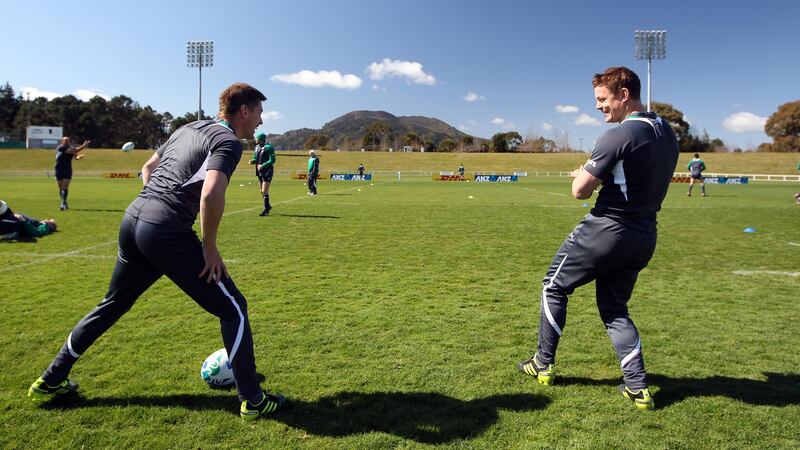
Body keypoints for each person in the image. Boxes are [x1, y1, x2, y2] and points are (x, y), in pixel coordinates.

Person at [28, 83, 286, 421]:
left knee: (112, 304)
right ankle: (253, 400)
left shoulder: (187, 128)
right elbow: (210, 194)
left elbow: (147, 169)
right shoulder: (227, 142)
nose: (261, 121)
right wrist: (209, 247)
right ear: (244, 111)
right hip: (165, 230)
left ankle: (50, 379)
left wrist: (153, 205)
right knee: (234, 308)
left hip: (134, 217)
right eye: (259, 113)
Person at [517, 67, 678, 411]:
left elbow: (579, 191)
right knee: (615, 308)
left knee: (553, 286)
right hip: (645, 233)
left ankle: (542, 363)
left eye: (602, 99)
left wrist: (586, 173)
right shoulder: (666, 133)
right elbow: (635, 176)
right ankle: (637, 387)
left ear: (623, 94)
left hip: (607, 229)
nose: (598, 107)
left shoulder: (617, 136)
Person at [54, 136, 91, 210]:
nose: (66, 142)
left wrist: (78, 158)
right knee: (61, 188)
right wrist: (84, 146)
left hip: (67, 169)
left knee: (65, 187)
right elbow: (74, 151)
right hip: (59, 169)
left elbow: (75, 155)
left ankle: (63, 203)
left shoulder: (70, 148)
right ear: (62, 142)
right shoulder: (60, 148)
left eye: (68, 141)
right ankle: (64, 202)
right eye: (65, 141)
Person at [249, 132, 276, 216]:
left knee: (264, 190)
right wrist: (253, 161)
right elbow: (255, 157)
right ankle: (268, 205)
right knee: (261, 191)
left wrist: (263, 165)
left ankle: (266, 210)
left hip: (267, 171)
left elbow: (272, 160)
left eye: (256, 138)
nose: (255, 140)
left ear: (260, 139)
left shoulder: (269, 147)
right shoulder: (256, 147)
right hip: (259, 171)